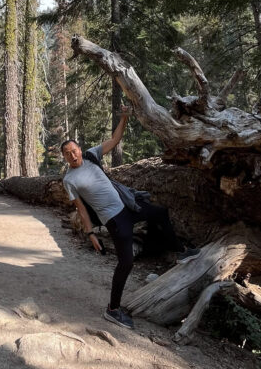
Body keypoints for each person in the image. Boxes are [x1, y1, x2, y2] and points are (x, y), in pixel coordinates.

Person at [61, 105, 199, 330]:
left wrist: (124, 117)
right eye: (67, 153)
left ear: (79, 148)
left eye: (74, 149)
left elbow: (115, 139)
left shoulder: (91, 155)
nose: (73, 154)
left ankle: (181, 252)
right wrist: (90, 233)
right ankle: (113, 310)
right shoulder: (69, 180)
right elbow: (82, 209)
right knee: (126, 263)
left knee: (159, 212)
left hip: (128, 206)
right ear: (65, 158)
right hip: (114, 220)